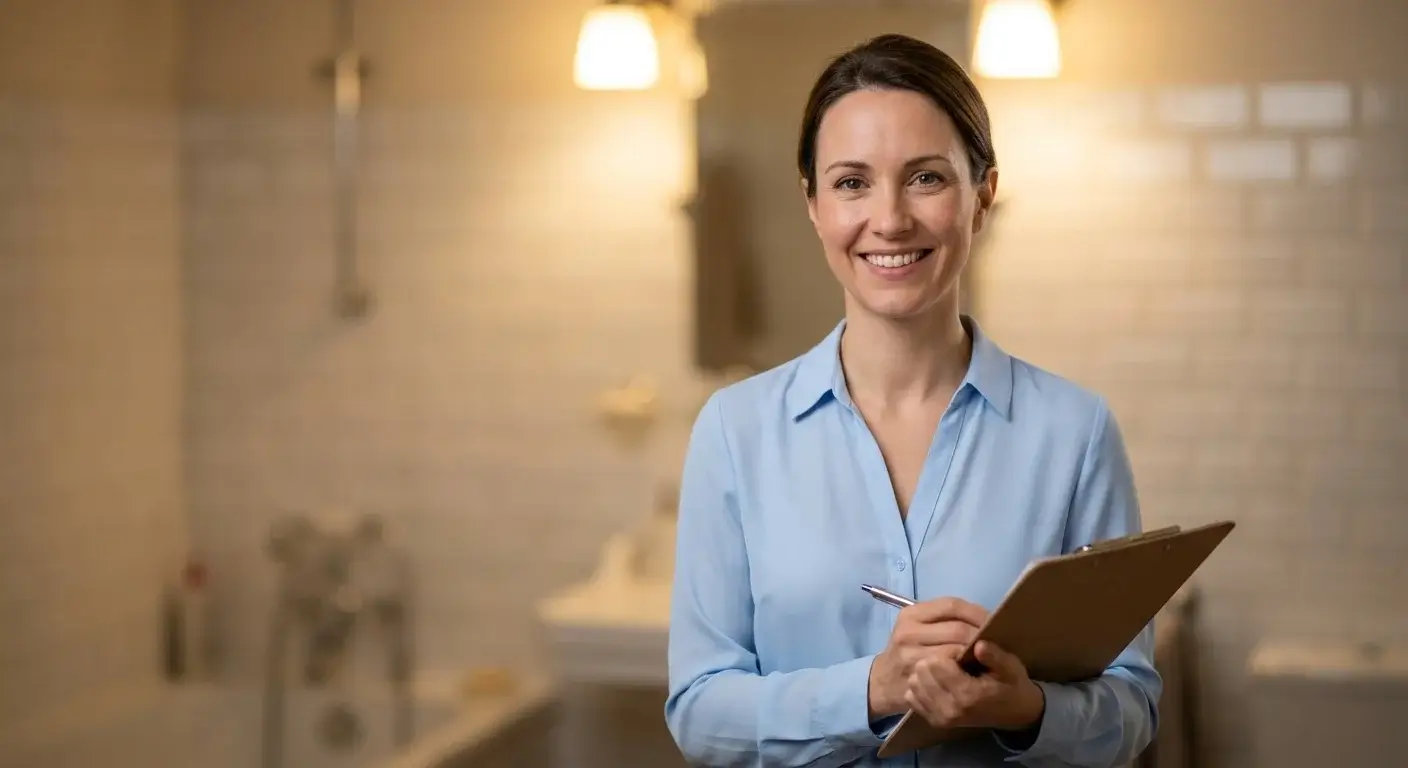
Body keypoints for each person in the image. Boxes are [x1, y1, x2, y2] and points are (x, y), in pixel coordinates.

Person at [664, 33, 1161, 768]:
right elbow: (701, 713)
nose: (890, 219)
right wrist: (873, 688)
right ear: (813, 205)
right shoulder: (736, 433)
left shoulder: (1075, 432)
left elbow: (1132, 707)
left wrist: (1024, 710)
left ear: (983, 197)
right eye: (852, 182)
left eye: (926, 178)